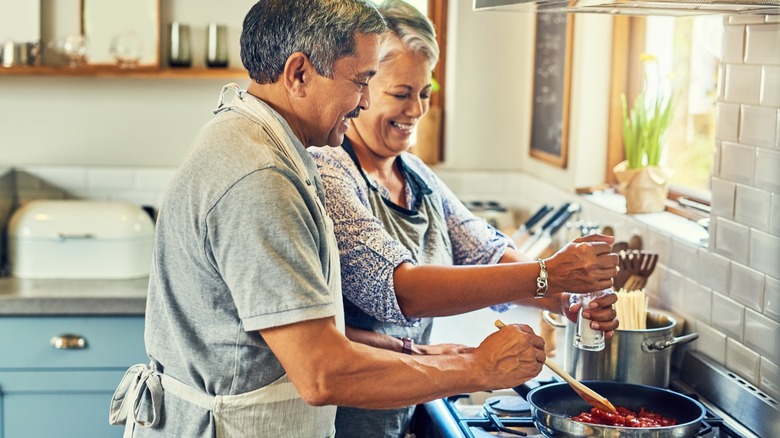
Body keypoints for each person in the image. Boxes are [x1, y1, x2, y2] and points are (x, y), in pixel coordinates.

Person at [108, 1, 554, 437]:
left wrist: (418, 351)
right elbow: (322, 373)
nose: (363, 101)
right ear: (299, 74)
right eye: (361, 81)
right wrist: (478, 368)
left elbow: (303, 330)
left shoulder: (260, 143)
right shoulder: (260, 178)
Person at [308, 1, 620, 436]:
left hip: (400, 410)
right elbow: (401, 291)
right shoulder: (328, 167)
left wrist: (565, 298)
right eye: (401, 94)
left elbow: (486, 252)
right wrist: (551, 274)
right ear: (363, 89)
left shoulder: (416, 174)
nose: (416, 111)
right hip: (340, 421)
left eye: (425, 93)